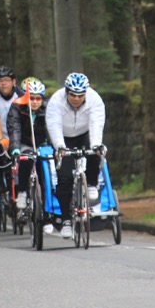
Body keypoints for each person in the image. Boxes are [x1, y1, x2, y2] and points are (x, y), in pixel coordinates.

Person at [46, 72, 106, 239]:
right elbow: (54, 125)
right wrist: (59, 147)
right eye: (73, 94)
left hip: (84, 133)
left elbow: (96, 123)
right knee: (64, 177)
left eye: (80, 95)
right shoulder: (56, 101)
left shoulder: (95, 100)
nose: (76, 99)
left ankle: (92, 183)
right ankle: (66, 220)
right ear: (66, 91)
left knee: (95, 149)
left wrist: (95, 144)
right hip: (63, 137)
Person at [7, 78, 50, 215]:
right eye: (31, 98)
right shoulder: (16, 107)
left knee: (47, 170)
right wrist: (15, 148)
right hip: (24, 143)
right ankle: (22, 192)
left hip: (42, 144)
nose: (35, 101)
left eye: (38, 98)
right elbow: (15, 129)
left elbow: (52, 129)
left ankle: (47, 208)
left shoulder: (48, 108)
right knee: (27, 158)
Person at [0, 66, 25, 195]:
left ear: (14, 82)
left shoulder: (20, 95)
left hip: (17, 133)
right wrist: (1, 139)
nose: (3, 83)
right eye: (0, 80)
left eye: (7, 80)